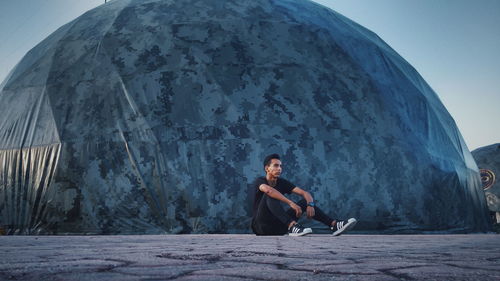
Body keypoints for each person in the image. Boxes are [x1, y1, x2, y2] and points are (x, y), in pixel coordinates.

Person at [251, 153, 357, 236]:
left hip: (278, 228)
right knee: (269, 194)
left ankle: (334, 224)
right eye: (275, 165)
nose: (279, 168)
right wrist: (290, 202)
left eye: (280, 166)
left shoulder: (282, 182)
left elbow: (305, 193)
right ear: (267, 168)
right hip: (261, 227)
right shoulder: (260, 181)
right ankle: (292, 226)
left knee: (303, 202)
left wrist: (310, 205)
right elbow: (269, 190)